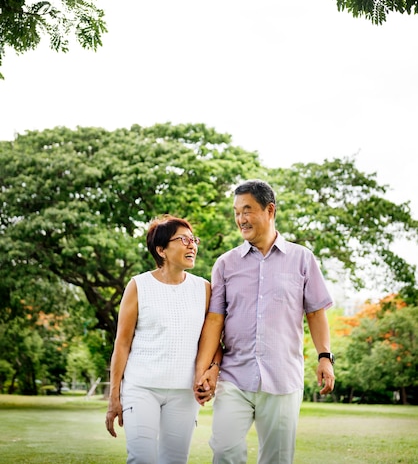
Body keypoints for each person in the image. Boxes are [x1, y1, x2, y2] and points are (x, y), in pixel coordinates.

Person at [194, 179, 335, 464]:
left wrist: (325, 357)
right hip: (235, 375)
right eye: (236, 212)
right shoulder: (225, 264)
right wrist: (204, 369)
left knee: (277, 459)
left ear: (270, 210)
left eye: (247, 210)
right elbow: (214, 320)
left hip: (282, 377)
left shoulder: (302, 259)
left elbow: (316, 312)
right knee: (224, 450)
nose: (241, 219)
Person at [105, 215, 220, 464]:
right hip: (141, 388)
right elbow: (121, 345)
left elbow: (212, 339)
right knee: (141, 459)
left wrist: (212, 370)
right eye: (183, 240)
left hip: (184, 393)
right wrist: (114, 396)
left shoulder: (204, 288)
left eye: (194, 240)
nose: (192, 245)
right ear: (161, 250)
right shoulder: (138, 286)